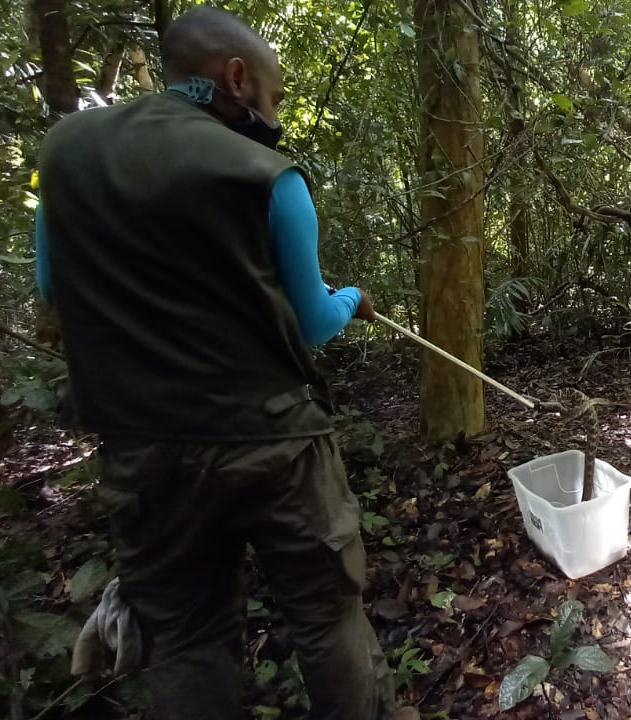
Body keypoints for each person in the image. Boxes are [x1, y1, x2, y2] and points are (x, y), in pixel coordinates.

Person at [35, 7, 405, 719]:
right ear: (237, 77)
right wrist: (350, 297)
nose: (277, 113)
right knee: (326, 615)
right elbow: (313, 322)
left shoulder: (70, 150)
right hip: (273, 442)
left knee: (184, 634)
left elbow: (54, 286)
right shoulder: (267, 176)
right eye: (276, 95)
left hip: (143, 445)